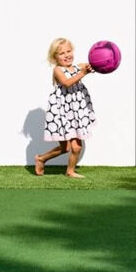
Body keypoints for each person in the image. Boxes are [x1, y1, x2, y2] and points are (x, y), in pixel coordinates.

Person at [34, 37, 95, 177]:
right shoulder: (58, 70)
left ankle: (70, 171)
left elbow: (91, 65)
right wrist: (83, 73)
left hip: (76, 113)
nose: (67, 55)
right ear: (54, 57)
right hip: (61, 113)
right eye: (61, 53)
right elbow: (67, 83)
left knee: (76, 146)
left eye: (69, 51)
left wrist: (94, 66)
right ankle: (41, 159)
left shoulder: (79, 67)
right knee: (65, 147)